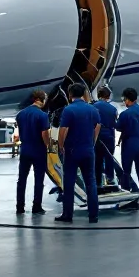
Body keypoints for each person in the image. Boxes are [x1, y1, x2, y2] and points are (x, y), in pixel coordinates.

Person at [57, 83, 101, 223]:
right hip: (88, 150)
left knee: (69, 183)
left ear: (70, 94)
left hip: (72, 151)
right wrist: (92, 142)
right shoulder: (92, 109)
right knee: (91, 182)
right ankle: (93, 215)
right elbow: (97, 126)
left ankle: (67, 215)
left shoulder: (68, 110)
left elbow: (63, 129)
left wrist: (61, 145)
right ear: (83, 94)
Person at [14, 90, 52, 216]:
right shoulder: (42, 115)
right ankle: (37, 206)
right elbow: (44, 135)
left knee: (22, 179)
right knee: (38, 179)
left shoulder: (20, 115)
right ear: (41, 100)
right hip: (39, 150)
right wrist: (49, 145)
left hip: (25, 149)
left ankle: (20, 207)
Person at [116, 87, 139, 207]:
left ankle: (128, 200)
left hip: (129, 144)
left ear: (127, 99)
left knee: (126, 173)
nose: (124, 102)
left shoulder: (125, 114)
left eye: (124, 99)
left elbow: (118, 127)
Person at [94, 85, 119, 187]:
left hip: (98, 136)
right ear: (108, 97)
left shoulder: (93, 107)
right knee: (109, 158)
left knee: (98, 160)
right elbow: (115, 123)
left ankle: (98, 181)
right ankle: (110, 179)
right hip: (109, 136)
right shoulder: (113, 109)